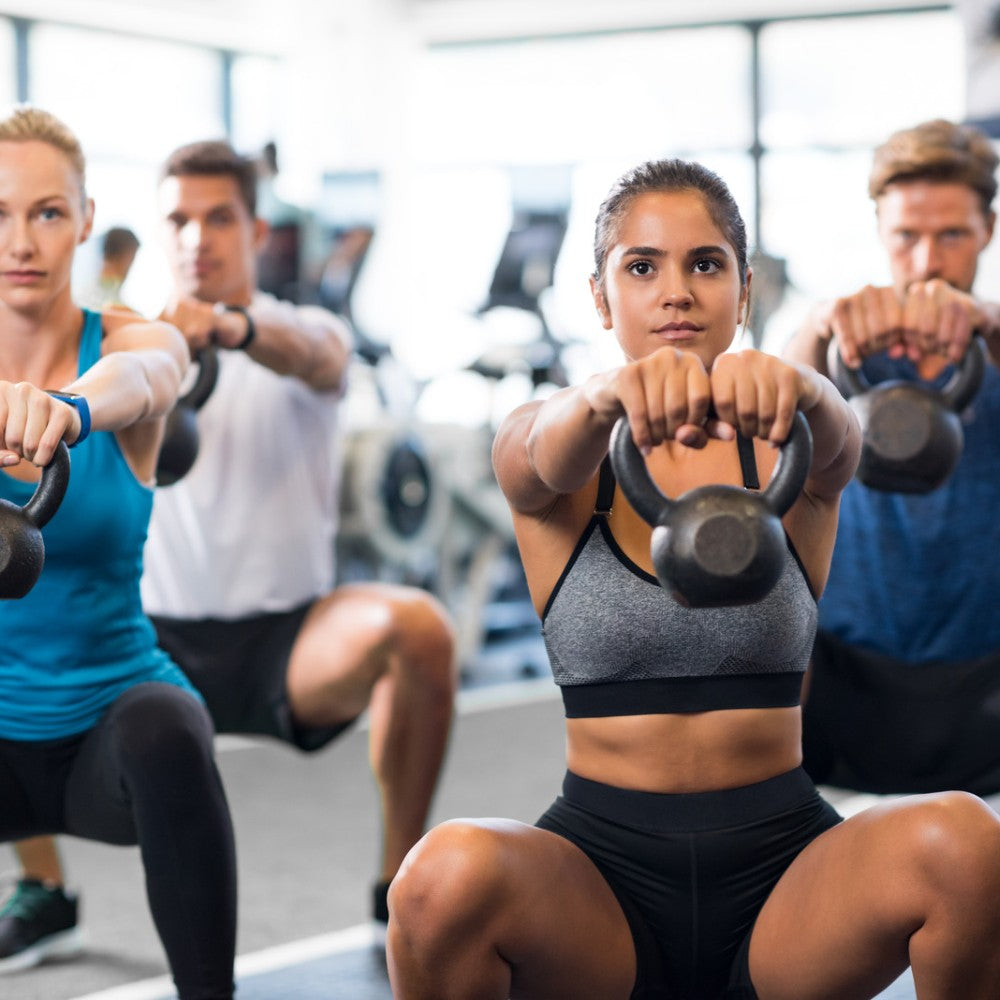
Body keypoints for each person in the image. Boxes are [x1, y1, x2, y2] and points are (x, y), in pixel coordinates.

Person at [385, 159, 1000, 1000]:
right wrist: (608, 399)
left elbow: (847, 439)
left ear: (742, 292)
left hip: (786, 875)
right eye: (642, 267)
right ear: (601, 299)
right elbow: (533, 458)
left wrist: (804, 388)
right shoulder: (552, 443)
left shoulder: (794, 447)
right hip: (599, 882)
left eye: (704, 264)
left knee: (965, 838)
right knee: (436, 878)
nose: (675, 291)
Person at [142, 139, 456, 941]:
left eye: (218, 218)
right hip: (155, 647)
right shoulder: (133, 347)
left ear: (254, 229)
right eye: (178, 219)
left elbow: (315, 356)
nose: (195, 238)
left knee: (419, 629)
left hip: (289, 642)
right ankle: (45, 893)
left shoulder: (303, 328)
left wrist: (228, 328)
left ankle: (399, 887)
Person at [0, 106, 236, 999]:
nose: (23, 241)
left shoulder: (128, 342)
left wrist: (69, 409)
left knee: (169, 729)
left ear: (86, 218)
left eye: (48, 212)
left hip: (112, 733)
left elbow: (157, 371)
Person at [783, 119, 1000, 798]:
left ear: (988, 230)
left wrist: (989, 325)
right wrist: (821, 324)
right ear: (881, 230)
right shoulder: (845, 349)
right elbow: (775, 402)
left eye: (952, 234)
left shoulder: (994, 347)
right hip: (850, 675)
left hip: (984, 678)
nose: (928, 261)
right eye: (907, 235)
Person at [76, 225, 140, 310]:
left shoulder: (82, 292)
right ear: (126, 257)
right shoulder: (115, 306)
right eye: (132, 258)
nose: (131, 267)